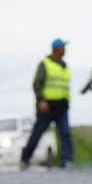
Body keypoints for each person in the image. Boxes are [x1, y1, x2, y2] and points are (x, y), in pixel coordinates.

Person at [20, 38, 74, 170]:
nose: (65, 49)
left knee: (65, 133)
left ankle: (66, 161)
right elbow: (37, 84)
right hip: (47, 107)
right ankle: (25, 159)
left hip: (62, 107)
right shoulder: (45, 64)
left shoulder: (64, 66)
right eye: (62, 47)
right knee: (37, 134)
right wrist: (41, 100)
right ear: (56, 49)